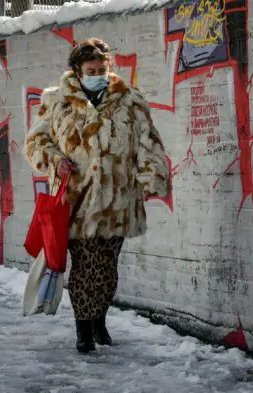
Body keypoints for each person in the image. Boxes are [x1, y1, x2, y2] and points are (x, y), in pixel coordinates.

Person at [25, 38, 170, 353]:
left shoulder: (130, 100)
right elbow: (35, 141)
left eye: (101, 70)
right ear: (77, 71)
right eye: (90, 71)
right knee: (85, 267)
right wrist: (54, 159)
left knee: (107, 268)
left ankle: (99, 320)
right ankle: (84, 330)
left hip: (119, 201)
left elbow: (149, 142)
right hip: (78, 200)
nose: (97, 76)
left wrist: (151, 176)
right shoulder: (57, 101)